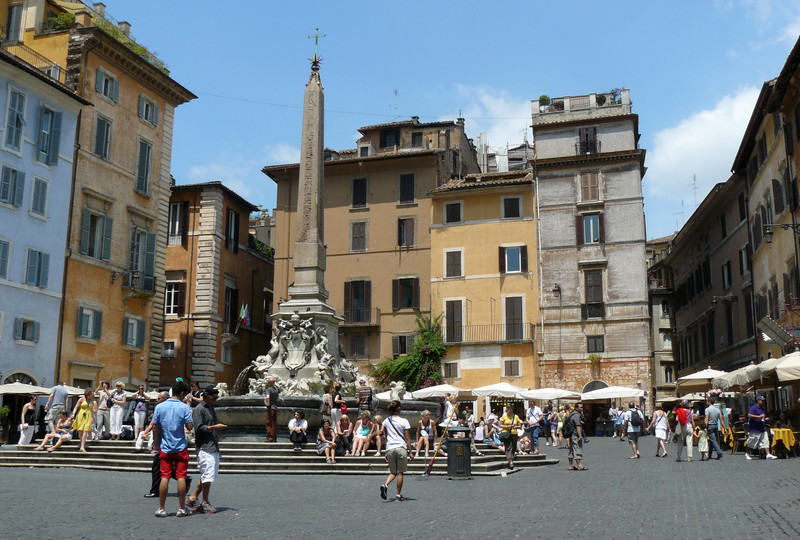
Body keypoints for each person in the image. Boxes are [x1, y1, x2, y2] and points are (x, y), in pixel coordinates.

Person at [152, 380, 194, 517]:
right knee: (181, 476)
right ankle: (182, 509)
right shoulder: (184, 407)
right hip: (180, 446)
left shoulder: (160, 407)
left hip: (165, 447)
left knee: (165, 477)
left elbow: (154, 426)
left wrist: (156, 442)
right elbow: (189, 427)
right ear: (182, 393)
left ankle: (161, 508)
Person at [143, 392, 193, 499]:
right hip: (170, 442)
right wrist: (147, 433)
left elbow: (155, 426)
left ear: (165, 399)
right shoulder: (171, 408)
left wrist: (156, 443)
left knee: (158, 468)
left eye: (159, 398)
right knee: (163, 467)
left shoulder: (161, 409)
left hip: (164, 443)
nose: (157, 400)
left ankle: (156, 490)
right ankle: (184, 480)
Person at [186, 385, 226, 514]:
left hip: (213, 445)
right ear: (206, 396)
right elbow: (199, 428)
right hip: (204, 446)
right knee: (207, 475)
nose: (215, 400)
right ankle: (205, 502)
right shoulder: (199, 409)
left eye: (216, 397)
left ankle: (193, 498)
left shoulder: (211, 408)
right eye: (214, 397)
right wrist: (214, 427)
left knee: (208, 474)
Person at [379, 400, 414, 501]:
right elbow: (407, 438)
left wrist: (386, 451)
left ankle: (385, 485)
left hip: (390, 448)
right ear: (399, 408)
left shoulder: (386, 421)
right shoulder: (404, 421)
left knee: (392, 472)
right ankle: (398, 495)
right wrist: (411, 452)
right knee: (400, 473)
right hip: (400, 447)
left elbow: (386, 436)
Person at [745, 395, 777, 460]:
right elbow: (749, 415)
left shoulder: (762, 408)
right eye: (761, 400)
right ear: (758, 401)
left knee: (765, 441)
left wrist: (765, 419)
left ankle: (768, 454)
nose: (763, 402)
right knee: (752, 442)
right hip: (755, 428)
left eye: (763, 400)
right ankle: (747, 453)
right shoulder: (753, 408)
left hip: (762, 428)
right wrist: (759, 417)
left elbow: (762, 417)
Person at [499, 405, 522, 469]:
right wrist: (507, 426)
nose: (509, 410)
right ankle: (510, 461)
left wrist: (515, 427)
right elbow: (500, 425)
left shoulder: (516, 416)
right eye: (508, 409)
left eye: (510, 409)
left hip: (514, 433)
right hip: (506, 433)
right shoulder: (504, 416)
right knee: (508, 447)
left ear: (512, 410)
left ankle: (510, 458)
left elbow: (520, 426)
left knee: (514, 447)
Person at [567, 403, 587, 470]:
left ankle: (571, 465)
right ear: (576, 408)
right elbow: (578, 426)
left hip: (571, 434)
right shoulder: (576, 415)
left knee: (571, 449)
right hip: (575, 434)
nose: (582, 409)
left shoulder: (572, 414)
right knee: (577, 448)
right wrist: (580, 436)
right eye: (580, 407)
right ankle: (579, 465)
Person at [264, 377, 279, 443]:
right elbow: (278, 399)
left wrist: (267, 403)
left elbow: (267, 397)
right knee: (274, 423)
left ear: (269, 383)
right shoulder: (276, 389)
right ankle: (274, 437)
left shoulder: (268, 389)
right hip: (275, 407)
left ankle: (270, 438)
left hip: (270, 408)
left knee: (269, 423)